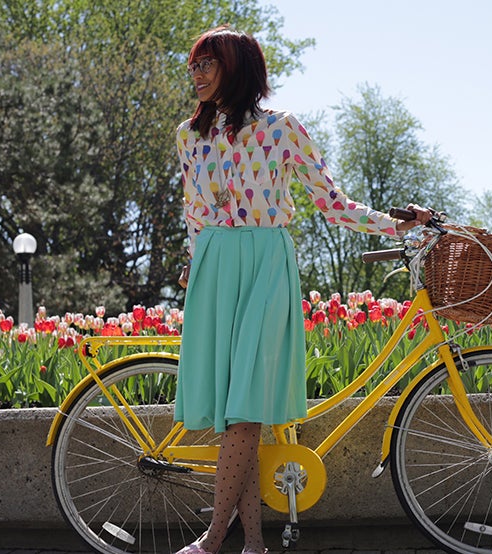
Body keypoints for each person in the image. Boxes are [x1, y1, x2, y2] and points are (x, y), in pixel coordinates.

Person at [173, 25, 430, 554]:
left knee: (245, 408)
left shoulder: (282, 128)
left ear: (236, 67)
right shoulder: (189, 136)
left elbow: (332, 202)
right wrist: (195, 263)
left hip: (266, 264)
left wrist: (394, 226)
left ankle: (211, 540)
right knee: (235, 414)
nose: (196, 73)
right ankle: (254, 545)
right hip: (215, 266)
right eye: (193, 64)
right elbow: (194, 213)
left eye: (207, 63)